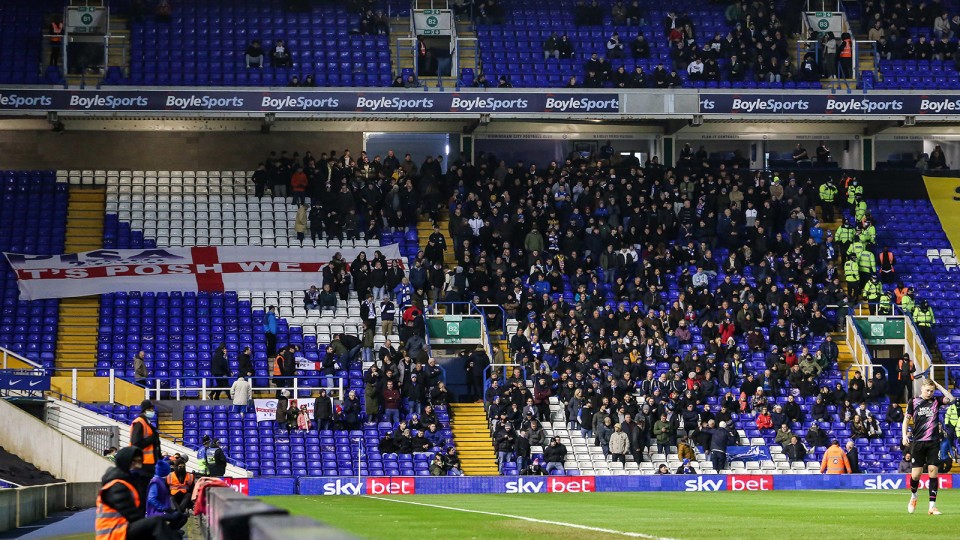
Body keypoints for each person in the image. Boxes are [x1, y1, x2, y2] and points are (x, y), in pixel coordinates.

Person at [95, 447, 180, 540]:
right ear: (124, 463)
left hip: (121, 530)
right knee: (157, 523)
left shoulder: (126, 482)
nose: (138, 466)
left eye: (139, 461)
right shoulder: (116, 486)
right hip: (113, 534)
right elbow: (132, 515)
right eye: (133, 462)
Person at [904, 378, 955, 515]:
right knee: (916, 475)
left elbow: (951, 399)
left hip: (933, 442)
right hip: (918, 442)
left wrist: (939, 386)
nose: (929, 393)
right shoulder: (913, 402)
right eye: (927, 390)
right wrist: (904, 435)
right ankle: (914, 496)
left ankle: (932, 506)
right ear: (922, 389)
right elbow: (906, 420)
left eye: (932, 391)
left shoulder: (936, 401)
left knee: (933, 471)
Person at [129, 400, 161, 510]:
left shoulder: (147, 423)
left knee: (145, 495)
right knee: (141, 495)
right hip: (141, 465)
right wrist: (151, 439)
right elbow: (136, 443)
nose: (152, 412)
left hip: (148, 465)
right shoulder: (139, 423)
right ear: (144, 410)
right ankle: (139, 520)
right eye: (150, 409)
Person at [146, 458, 187, 531]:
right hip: (156, 512)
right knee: (179, 516)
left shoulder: (161, 480)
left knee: (182, 516)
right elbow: (151, 498)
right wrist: (164, 508)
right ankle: (168, 532)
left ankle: (168, 532)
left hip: (162, 510)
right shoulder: (156, 481)